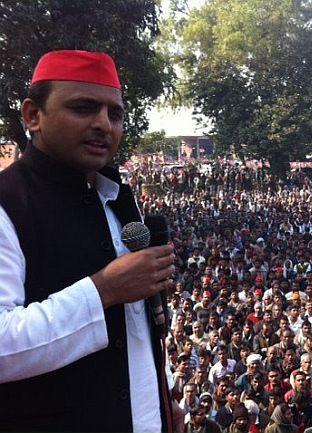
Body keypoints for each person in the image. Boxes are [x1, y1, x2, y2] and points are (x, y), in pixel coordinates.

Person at [0, 50, 175, 431]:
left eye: (115, 114)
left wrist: (161, 401)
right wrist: (103, 291)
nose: (104, 125)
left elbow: (135, 333)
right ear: (34, 115)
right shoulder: (7, 204)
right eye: (83, 108)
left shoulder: (117, 198)